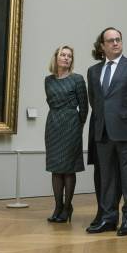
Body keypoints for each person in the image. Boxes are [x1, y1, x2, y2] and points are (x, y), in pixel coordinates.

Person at [86, 28, 127, 236]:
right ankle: (108, 218)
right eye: (110, 41)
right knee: (107, 178)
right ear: (102, 46)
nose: (115, 43)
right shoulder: (93, 71)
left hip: (126, 130)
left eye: (118, 39)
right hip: (102, 131)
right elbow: (94, 100)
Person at [44, 45, 88, 223]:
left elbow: (84, 107)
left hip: (71, 125)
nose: (66, 58)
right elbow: (51, 102)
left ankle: (68, 206)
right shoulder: (48, 80)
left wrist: (78, 125)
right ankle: (58, 206)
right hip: (53, 124)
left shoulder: (77, 79)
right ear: (56, 57)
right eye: (63, 55)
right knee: (56, 168)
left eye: (69, 56)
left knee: (68, 169)